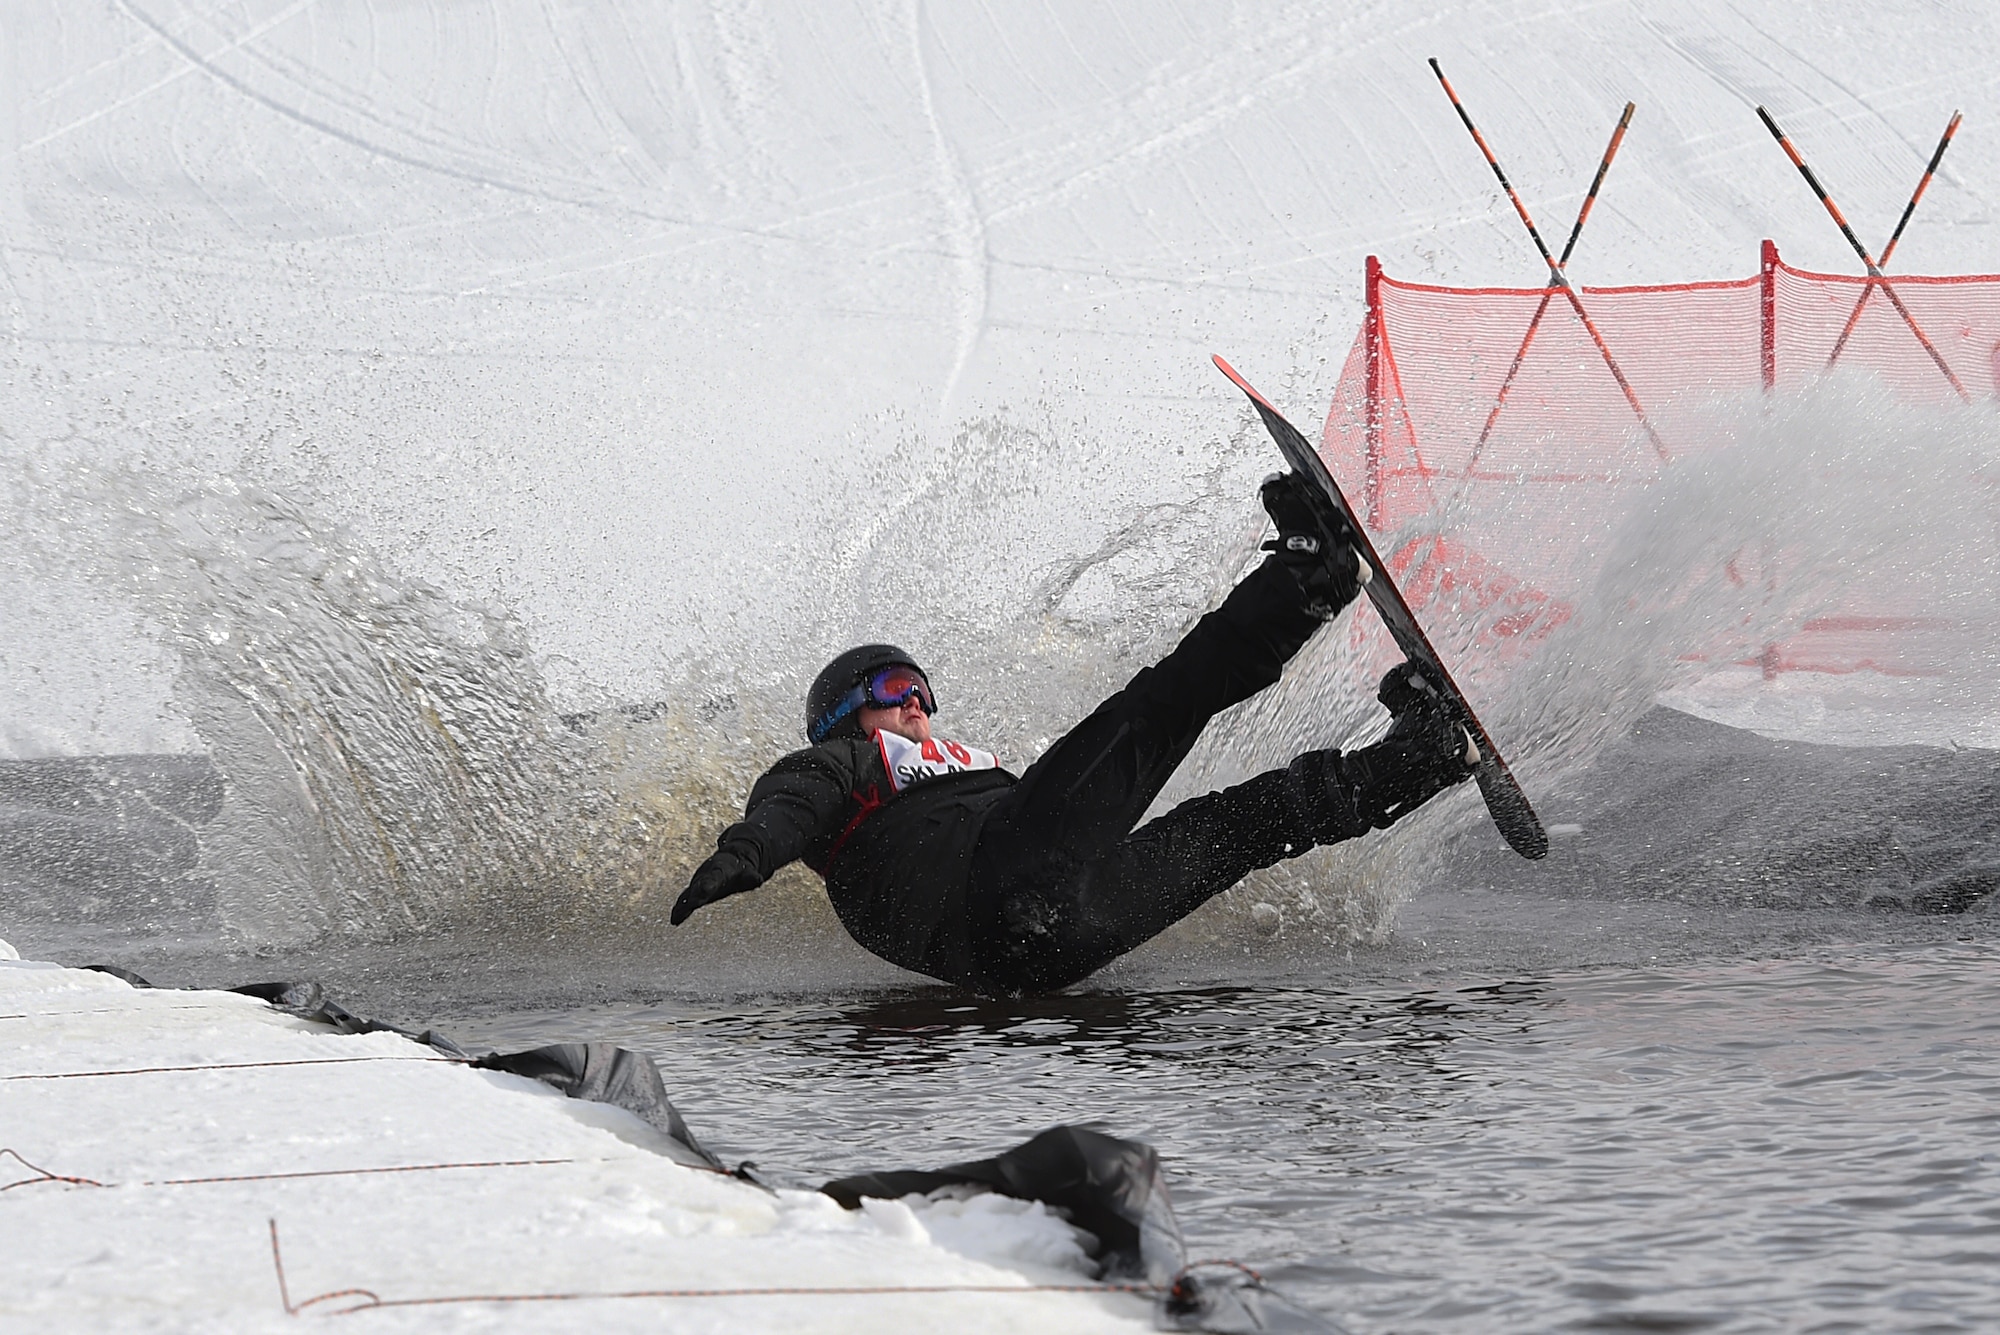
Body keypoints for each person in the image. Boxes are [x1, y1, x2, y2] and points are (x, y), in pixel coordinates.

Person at [671, 473, 1477, 996]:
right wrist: (746, 854)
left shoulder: (949, 770)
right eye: (890, 690)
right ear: (844, 717)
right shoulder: (844, 764)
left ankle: (1424, 757)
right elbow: (792, 804)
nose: (916, 702)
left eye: (920, 688)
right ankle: (1312, 577)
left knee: (1238, 827)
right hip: (1002, 872)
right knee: (1158, 706)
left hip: (1041, 950)